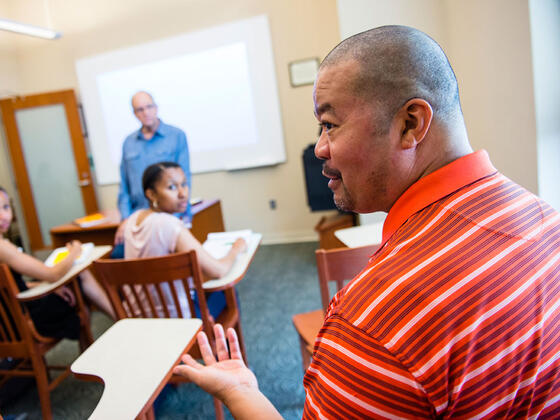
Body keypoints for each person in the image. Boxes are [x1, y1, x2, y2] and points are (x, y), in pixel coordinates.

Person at [173, 25, 560, 418]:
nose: (321, 147)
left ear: (410, 123)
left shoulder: (375, 323)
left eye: (329, 124)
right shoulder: (547, 220)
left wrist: (240, 394)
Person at [123, 162, 246, 318]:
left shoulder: (132, 220)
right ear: (151, 194)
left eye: (184, 184)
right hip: (178, 319)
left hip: (138, 318)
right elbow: (218, 270)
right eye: (172, 187)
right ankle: (218, 341)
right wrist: (236, 248)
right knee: (228, 291)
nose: (182, 193)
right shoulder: (168, 224)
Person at [0, 187, 114, 339]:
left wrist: (51, 288)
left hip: (9, 320)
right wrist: (74, 251)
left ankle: (119, 319)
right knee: (78, 279)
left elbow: (12, 287)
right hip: (24, 322)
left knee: (71, 286)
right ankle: (121, 318)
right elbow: (52, 275)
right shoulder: (3, 248)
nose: (3, 215)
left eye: (6, 207)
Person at [114, 91, 192, 254]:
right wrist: (125, 219)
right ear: (135, 113)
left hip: (169, 214)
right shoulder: (129, 143)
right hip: (139, 218)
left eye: (149, 107)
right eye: (140, 109)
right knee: (120, 255)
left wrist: (183, 213)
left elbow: (184, 178)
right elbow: (124, 186)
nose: (146, 112)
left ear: (156, 108)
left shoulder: (176, 135)